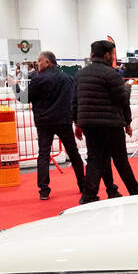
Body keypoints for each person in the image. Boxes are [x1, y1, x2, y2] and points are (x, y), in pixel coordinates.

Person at [73, 39, 138, 203]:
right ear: (107, 55)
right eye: (114, 54)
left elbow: (74, 101)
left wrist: (77, 123)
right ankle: (134, 190)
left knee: (94, 159)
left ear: (92, 54)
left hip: (89, 123)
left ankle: (89, 195)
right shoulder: (111, 74)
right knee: (120, 159)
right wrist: (127, 88)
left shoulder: (80, 75)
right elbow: (122, 99)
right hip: (110, 123)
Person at [28, 50, 87, 201]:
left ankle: (44, 189)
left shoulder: (38, 79)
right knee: (73, 153)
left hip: (44, 122)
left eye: (39, 61)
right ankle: (83, 184)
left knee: (43, 155)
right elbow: (73, 99)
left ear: (48, 62)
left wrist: (15, 86)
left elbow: (25, 98)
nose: (37, 63)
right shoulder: (67, 78)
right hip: (63, 120)